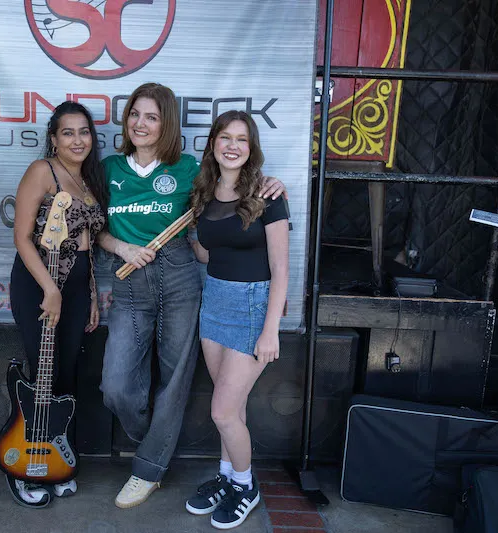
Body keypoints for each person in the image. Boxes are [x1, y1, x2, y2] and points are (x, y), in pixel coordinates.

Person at [96, 83, 286, 509]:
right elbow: (94, 228)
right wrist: (121, 247)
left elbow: (236, 189)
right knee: (115, 386)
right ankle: (154, 440)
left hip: (181, 278)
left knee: (176, 380)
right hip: (130, 279)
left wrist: (272, 184)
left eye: (151, 117)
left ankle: (149, 469)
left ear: (167, 124)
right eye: (134, 114)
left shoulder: (190, 171)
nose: (140, 123)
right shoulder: (108, 169)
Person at [184, 111, 289, 529]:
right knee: (234, 407)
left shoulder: (268, 194)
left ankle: (246, 486)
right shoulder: (204, 194)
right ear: (213, 144)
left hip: (252, 307)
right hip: (214, 303)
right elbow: (209, 253)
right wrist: (186, 238)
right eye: (225, 137)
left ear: (251, 148)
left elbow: (281, 269)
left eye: (241, 139)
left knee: (223, 412)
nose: (232, 145)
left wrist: (270, 330)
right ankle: (228, 477)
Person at [8, 101, 107, 508]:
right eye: (68, 132)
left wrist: (91, 294)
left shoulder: (89, 179)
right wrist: (50, 290)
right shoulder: (42, 171)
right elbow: (21, 237)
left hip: (78, 288)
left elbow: (88, 244)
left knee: (66, 376)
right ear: (54, 138)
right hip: (38, 284)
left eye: (84, 132)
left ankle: (53, 461)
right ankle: (23, 467)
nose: (77, 140)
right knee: (42, 373)